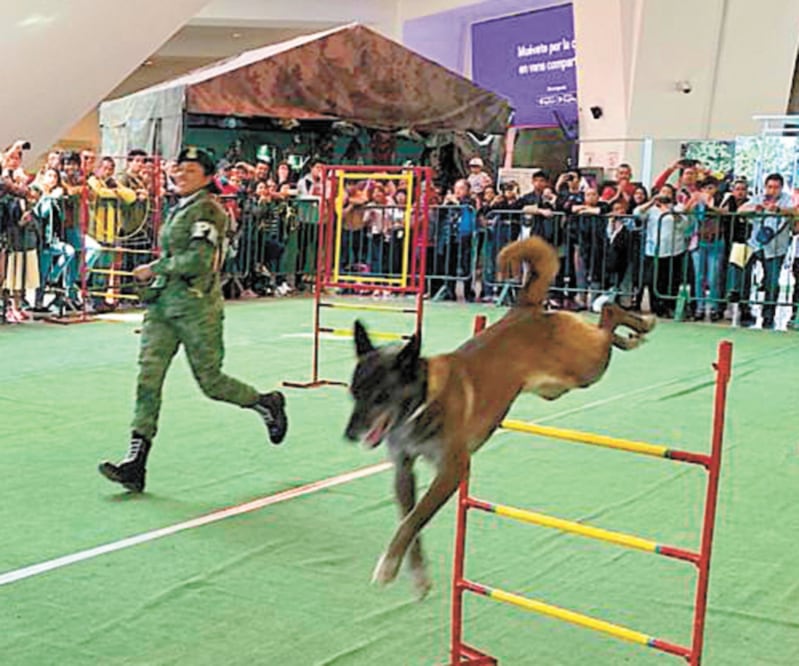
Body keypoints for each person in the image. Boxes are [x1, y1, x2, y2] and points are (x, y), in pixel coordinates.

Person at [98, 147, 288, 493]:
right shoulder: (179, 207)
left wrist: (154, 268)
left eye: (190, 169)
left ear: (206, 175)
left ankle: (265, 403)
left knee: (211, 382)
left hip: (197, 308)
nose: (180, 173)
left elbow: (199, 260)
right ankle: (135, 462)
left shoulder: (208, 209)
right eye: (179, 168)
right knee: (148, 379)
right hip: (163, 309)